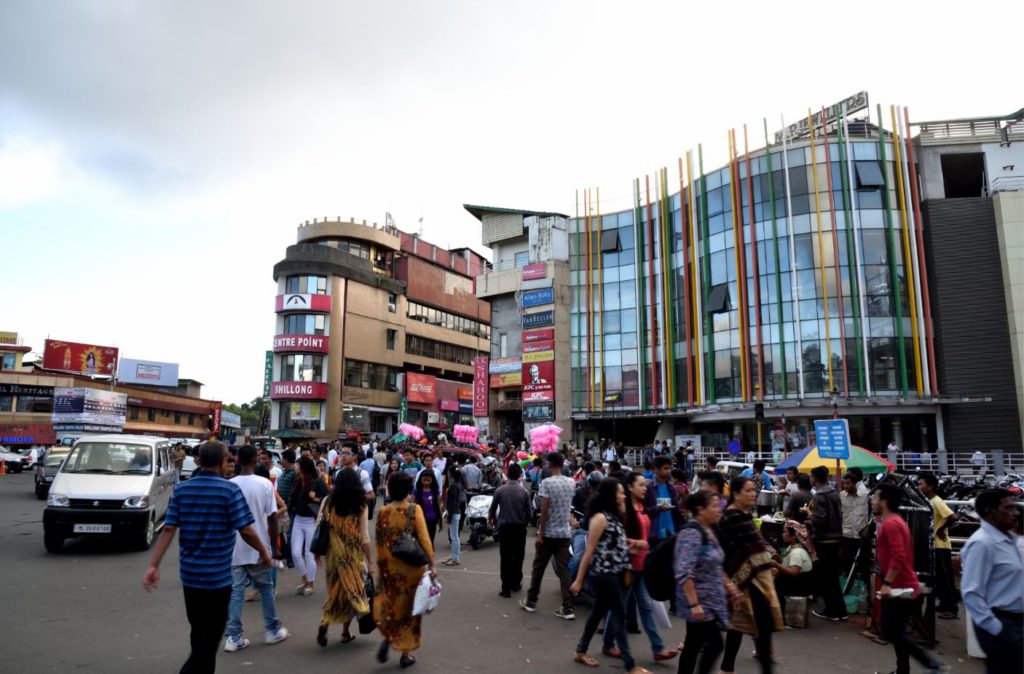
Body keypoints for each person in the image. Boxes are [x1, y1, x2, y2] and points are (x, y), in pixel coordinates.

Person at [142, 441, 272, 674]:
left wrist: (154, 565)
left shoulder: (182, 490)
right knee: (209, 639)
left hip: (190, 578)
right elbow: (245, 529)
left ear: (199, 461)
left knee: (198, 632)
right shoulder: (229, 491)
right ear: (223, 462)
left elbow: (169, 530)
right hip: (218, 580)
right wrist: (264, 552)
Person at [569, 478, 651, 674]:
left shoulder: (613, 516)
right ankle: (630, 666)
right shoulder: (600, 519)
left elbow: (614, 543)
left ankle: (580, 650)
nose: (623, 496)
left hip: (615, 571)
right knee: (619, 614)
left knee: (598, 612)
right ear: (610, 495)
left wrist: (634, 543)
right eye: (620, 492)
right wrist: (579, 580)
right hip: (604, 574)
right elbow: (590, 551)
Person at [872, 483, 946, 674]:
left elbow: (899, 556)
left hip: (899, 586)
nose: (873, 501)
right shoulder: (895, 521)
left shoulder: (891, 524)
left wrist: (887, 583)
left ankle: (931, 664)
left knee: (891, 631)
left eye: (876, 498)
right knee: (896, 631)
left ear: (884, 502)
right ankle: (902, 670)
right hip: (902, 584)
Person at [604, 472, 677, 662]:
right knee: (619, 607)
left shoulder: (641, 506)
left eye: (645, 485)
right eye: (641, 485)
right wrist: (635, 543)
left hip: (641, 564)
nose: (645, 488)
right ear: (629, 487)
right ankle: (608, 644)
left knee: (644, 607)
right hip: (627, 566)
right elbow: (615, 536)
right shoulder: (624, 511)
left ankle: (658, 649)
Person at [223, 446, 288, 651]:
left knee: (235, 593)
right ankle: (272, 630)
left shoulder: (230, 485)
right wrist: (275, 547)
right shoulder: (264, 484)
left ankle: (233, 637)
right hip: (259, 546)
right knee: (266, 588)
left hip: (234, 548)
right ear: (254, 460)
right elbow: (272, 517)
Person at [718, 477, 783, 674]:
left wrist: (768, 554)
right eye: (748, 490)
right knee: (761, 625)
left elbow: (756, 543)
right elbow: (722, 550)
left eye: (754, 490)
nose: (753, 494)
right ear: (736, 493)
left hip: (754, 579)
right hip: (742, 579)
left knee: (741, 625)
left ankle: (727, 668)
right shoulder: (729, 518)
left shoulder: (745, 515)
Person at [373, 471, 436, 668]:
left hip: (390, 568)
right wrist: (432, 563)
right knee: (410, 609)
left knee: (393, 606)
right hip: (412, 570)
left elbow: (379, 541)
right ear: (409, 490)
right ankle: (405, 653)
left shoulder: (382, 511)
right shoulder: (414, 509)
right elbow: (424, 538)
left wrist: (380, 566)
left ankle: (389, 636)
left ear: (390, 489)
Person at [960, 488, 1024, 674]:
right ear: (991, 510)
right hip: (1001, 622)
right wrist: (995, 628)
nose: (1015, 512)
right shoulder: (982, 544)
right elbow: (971, 591)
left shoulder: (1010, 540)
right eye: (1009, 508)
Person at [675, 490, 735, 674]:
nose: (719, 510)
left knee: (693, 645)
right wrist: (694, 604)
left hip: (709, 600)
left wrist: (731, 588)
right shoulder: (692, 533)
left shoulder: (710, 530)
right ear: (700, 510)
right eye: (714, 506)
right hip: (700, 602)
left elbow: (715, 565)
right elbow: (684, 571)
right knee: (716, 644)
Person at [315, 467, 373, 647]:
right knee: (351, 591)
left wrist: (317, 552)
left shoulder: (328, 501)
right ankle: (341, 630)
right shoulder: (361, 504)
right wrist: (370, 561)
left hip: (333, 555)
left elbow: (319, 526)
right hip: (352, 555)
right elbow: (364, 537)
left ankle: (330, 624)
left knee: (335, 590)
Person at [521, 452, 576, 620]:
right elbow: (567, 506)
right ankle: (568, 608)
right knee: (564, 570)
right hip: (564, 533)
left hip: (549, 533)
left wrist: (541, 532)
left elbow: (544, 509)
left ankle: (531, 601)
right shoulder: (571, 483)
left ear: (550, 464)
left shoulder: (546, 483)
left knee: (538, 568)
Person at [917, 473, 960, 620]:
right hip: (934, 546)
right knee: (939, 578)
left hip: (941, 546)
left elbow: (953, 517)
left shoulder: (936, 501)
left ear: (930, 486)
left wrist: (940, 530)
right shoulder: (928, 501)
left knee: (946, 578)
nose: (919, 486)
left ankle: (952, 609)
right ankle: (944, 604)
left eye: (921, 484)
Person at [808, 466, 846, 621]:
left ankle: (831, 611)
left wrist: (810, 517)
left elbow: (821, 518)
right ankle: (840, 611)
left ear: (815, 478)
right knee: (833, 576)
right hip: (837, 537)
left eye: (811, 476)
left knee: (826, 576)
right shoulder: (834, 493)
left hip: (824, 539)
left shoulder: (819, 496)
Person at [490, 462, 533, 596]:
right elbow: (529, 514)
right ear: (520, 475)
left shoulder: (500, 490)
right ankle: (516, 583)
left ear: (508, 474)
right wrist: (525, 524)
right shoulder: (525, 492)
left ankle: (506, 587)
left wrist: (491, 520)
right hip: (519, 528)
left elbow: (492, 508)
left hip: (505, 528)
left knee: (506, 557)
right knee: (518, 556)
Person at [289, 456, 328, 596]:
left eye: (297, 465)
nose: (295, 467)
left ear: (303, 467)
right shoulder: (297, 481)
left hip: (311, 521)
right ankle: (305, 578)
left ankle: (310, 583)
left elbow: (327, 499)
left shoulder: (317, 482)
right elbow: (292, 500)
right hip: (298, 520)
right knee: (295, 553)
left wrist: (315, 498)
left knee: (309, 554)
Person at [771, 521, 815, 617]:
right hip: (797, 582)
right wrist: (779, 559)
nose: (782, 534)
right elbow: (788, 564)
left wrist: (775, 564)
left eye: (785, 532)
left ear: (794, 536)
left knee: (774, 582)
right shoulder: (792, 547)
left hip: (799, 586)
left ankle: (780, 615)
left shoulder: (797, 552)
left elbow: (794, 572)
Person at [644, 456, 681, 547]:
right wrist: (658, 508)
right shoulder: (649, 488)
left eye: (669, 468)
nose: (668, 471)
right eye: (665, 468)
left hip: (671, 532)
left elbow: (676, 511)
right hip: (655, 534)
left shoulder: (671, 488)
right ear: (656, 470)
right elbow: (644, 510)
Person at [839, 471, 869, 580]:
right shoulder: (841, 496)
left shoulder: (865, 496)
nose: (845, 486)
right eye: (844, 483)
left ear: (855, 483)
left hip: (862, 535)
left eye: (848, 483)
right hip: (847, 534)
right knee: (846, 562)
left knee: (863, 562)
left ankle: (864, 586)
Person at [443, 465, 466, 567]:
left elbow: (452, 503)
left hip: (454, 512)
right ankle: (453, 556)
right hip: (455, 512)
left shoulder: (453, 486)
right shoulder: (457, 484)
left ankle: (455, 558)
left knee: (454, 537)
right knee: (454, 536)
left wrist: (449, 515)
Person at [412, 470, 441, 545]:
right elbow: (411, 506)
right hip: (420, 519)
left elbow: (438, 505)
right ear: (420, 480)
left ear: (432, 480)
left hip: (432, 519)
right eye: (424, 480)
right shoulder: (416, 491)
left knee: (430, 540)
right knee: (420, 540)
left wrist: (440, 520)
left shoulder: (435, 491)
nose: (426, 482)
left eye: (428, 480)